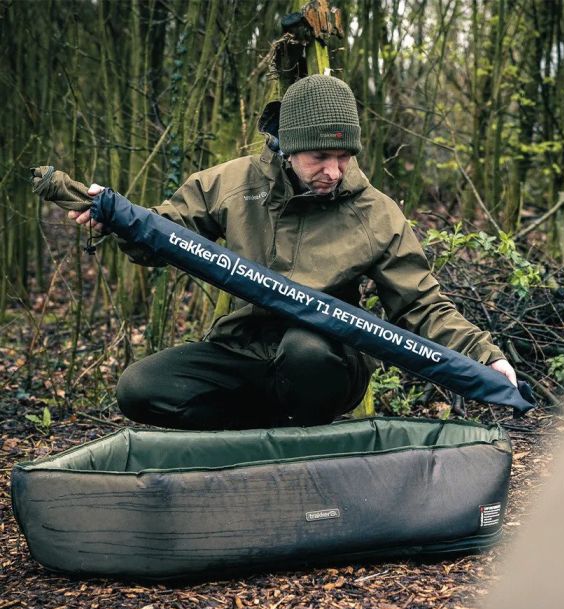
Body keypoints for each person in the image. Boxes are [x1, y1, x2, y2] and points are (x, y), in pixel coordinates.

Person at [69, 75, 517, 430]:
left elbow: (420, 303)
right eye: (320, 156)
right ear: (288, 146)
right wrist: (116, 219)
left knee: (305, 351)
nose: (333, 171)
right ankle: (261, 436)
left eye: (344, 157)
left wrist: (485, 356)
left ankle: (308, 442)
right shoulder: (232, 184)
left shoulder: (375, 212)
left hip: (327, 357)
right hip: (245, 347)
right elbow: (162, 237)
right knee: (140, 387)